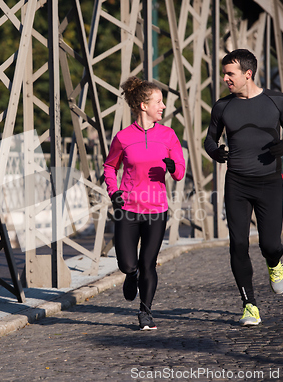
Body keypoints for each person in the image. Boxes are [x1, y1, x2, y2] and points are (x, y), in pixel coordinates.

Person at [204, 49, 283, 326]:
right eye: (224, 73)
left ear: (248, 74)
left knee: (270, 244)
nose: (225, 79)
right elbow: (209, 140)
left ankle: (274, 263)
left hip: (269, 182)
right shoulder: (222, 107)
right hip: (237, 183)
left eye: (230, 73)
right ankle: (249, 305)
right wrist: (215, 152)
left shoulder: (276, 100)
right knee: (238, 245)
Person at [103, 76, 186, 330]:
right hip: (128, 208)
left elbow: (180, 171)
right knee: (129, 264)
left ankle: (145, 312)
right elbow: (109, 166)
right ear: (143, 105)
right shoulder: (123, 137)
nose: (163, 106)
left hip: (156, 210)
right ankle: (131, 274)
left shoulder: (168, 136)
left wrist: (173, 168)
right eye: (158, 102)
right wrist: (113, 192)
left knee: (148, 263)